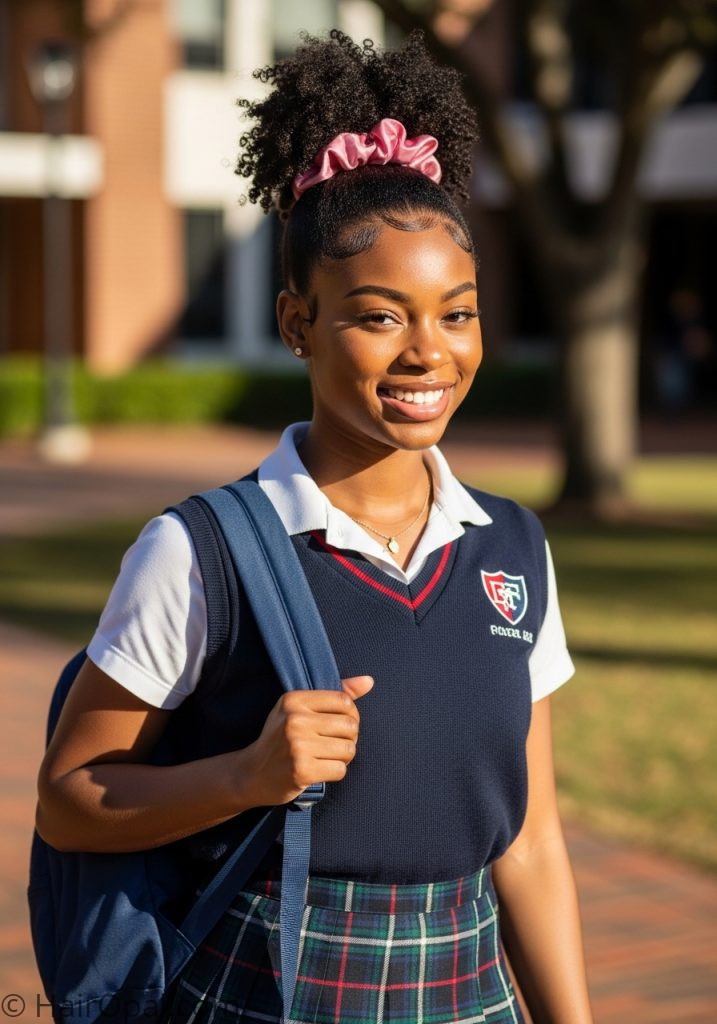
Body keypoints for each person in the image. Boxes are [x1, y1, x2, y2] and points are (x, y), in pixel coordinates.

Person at [35, 29, 594, 1024]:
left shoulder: (513, 547)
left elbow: (531, 841)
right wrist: (245, 774)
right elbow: (70, 798)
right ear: (297, 322)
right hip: (269, 990)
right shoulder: (201, 550)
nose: (430, 352)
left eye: (456, 314)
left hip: (470, 997)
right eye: (380, 316)